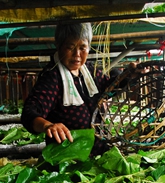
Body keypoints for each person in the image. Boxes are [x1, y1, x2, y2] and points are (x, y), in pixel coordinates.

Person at [21, 22, 132, 156]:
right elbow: (29, 112)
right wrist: (47, 126)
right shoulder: (53, 77)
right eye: (71, 47)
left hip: (100, 154)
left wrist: (130, 74)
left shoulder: (90, 71)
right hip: (68, 161)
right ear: (59, 46)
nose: (77, 54)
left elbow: (111, 86)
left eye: (83, 48)